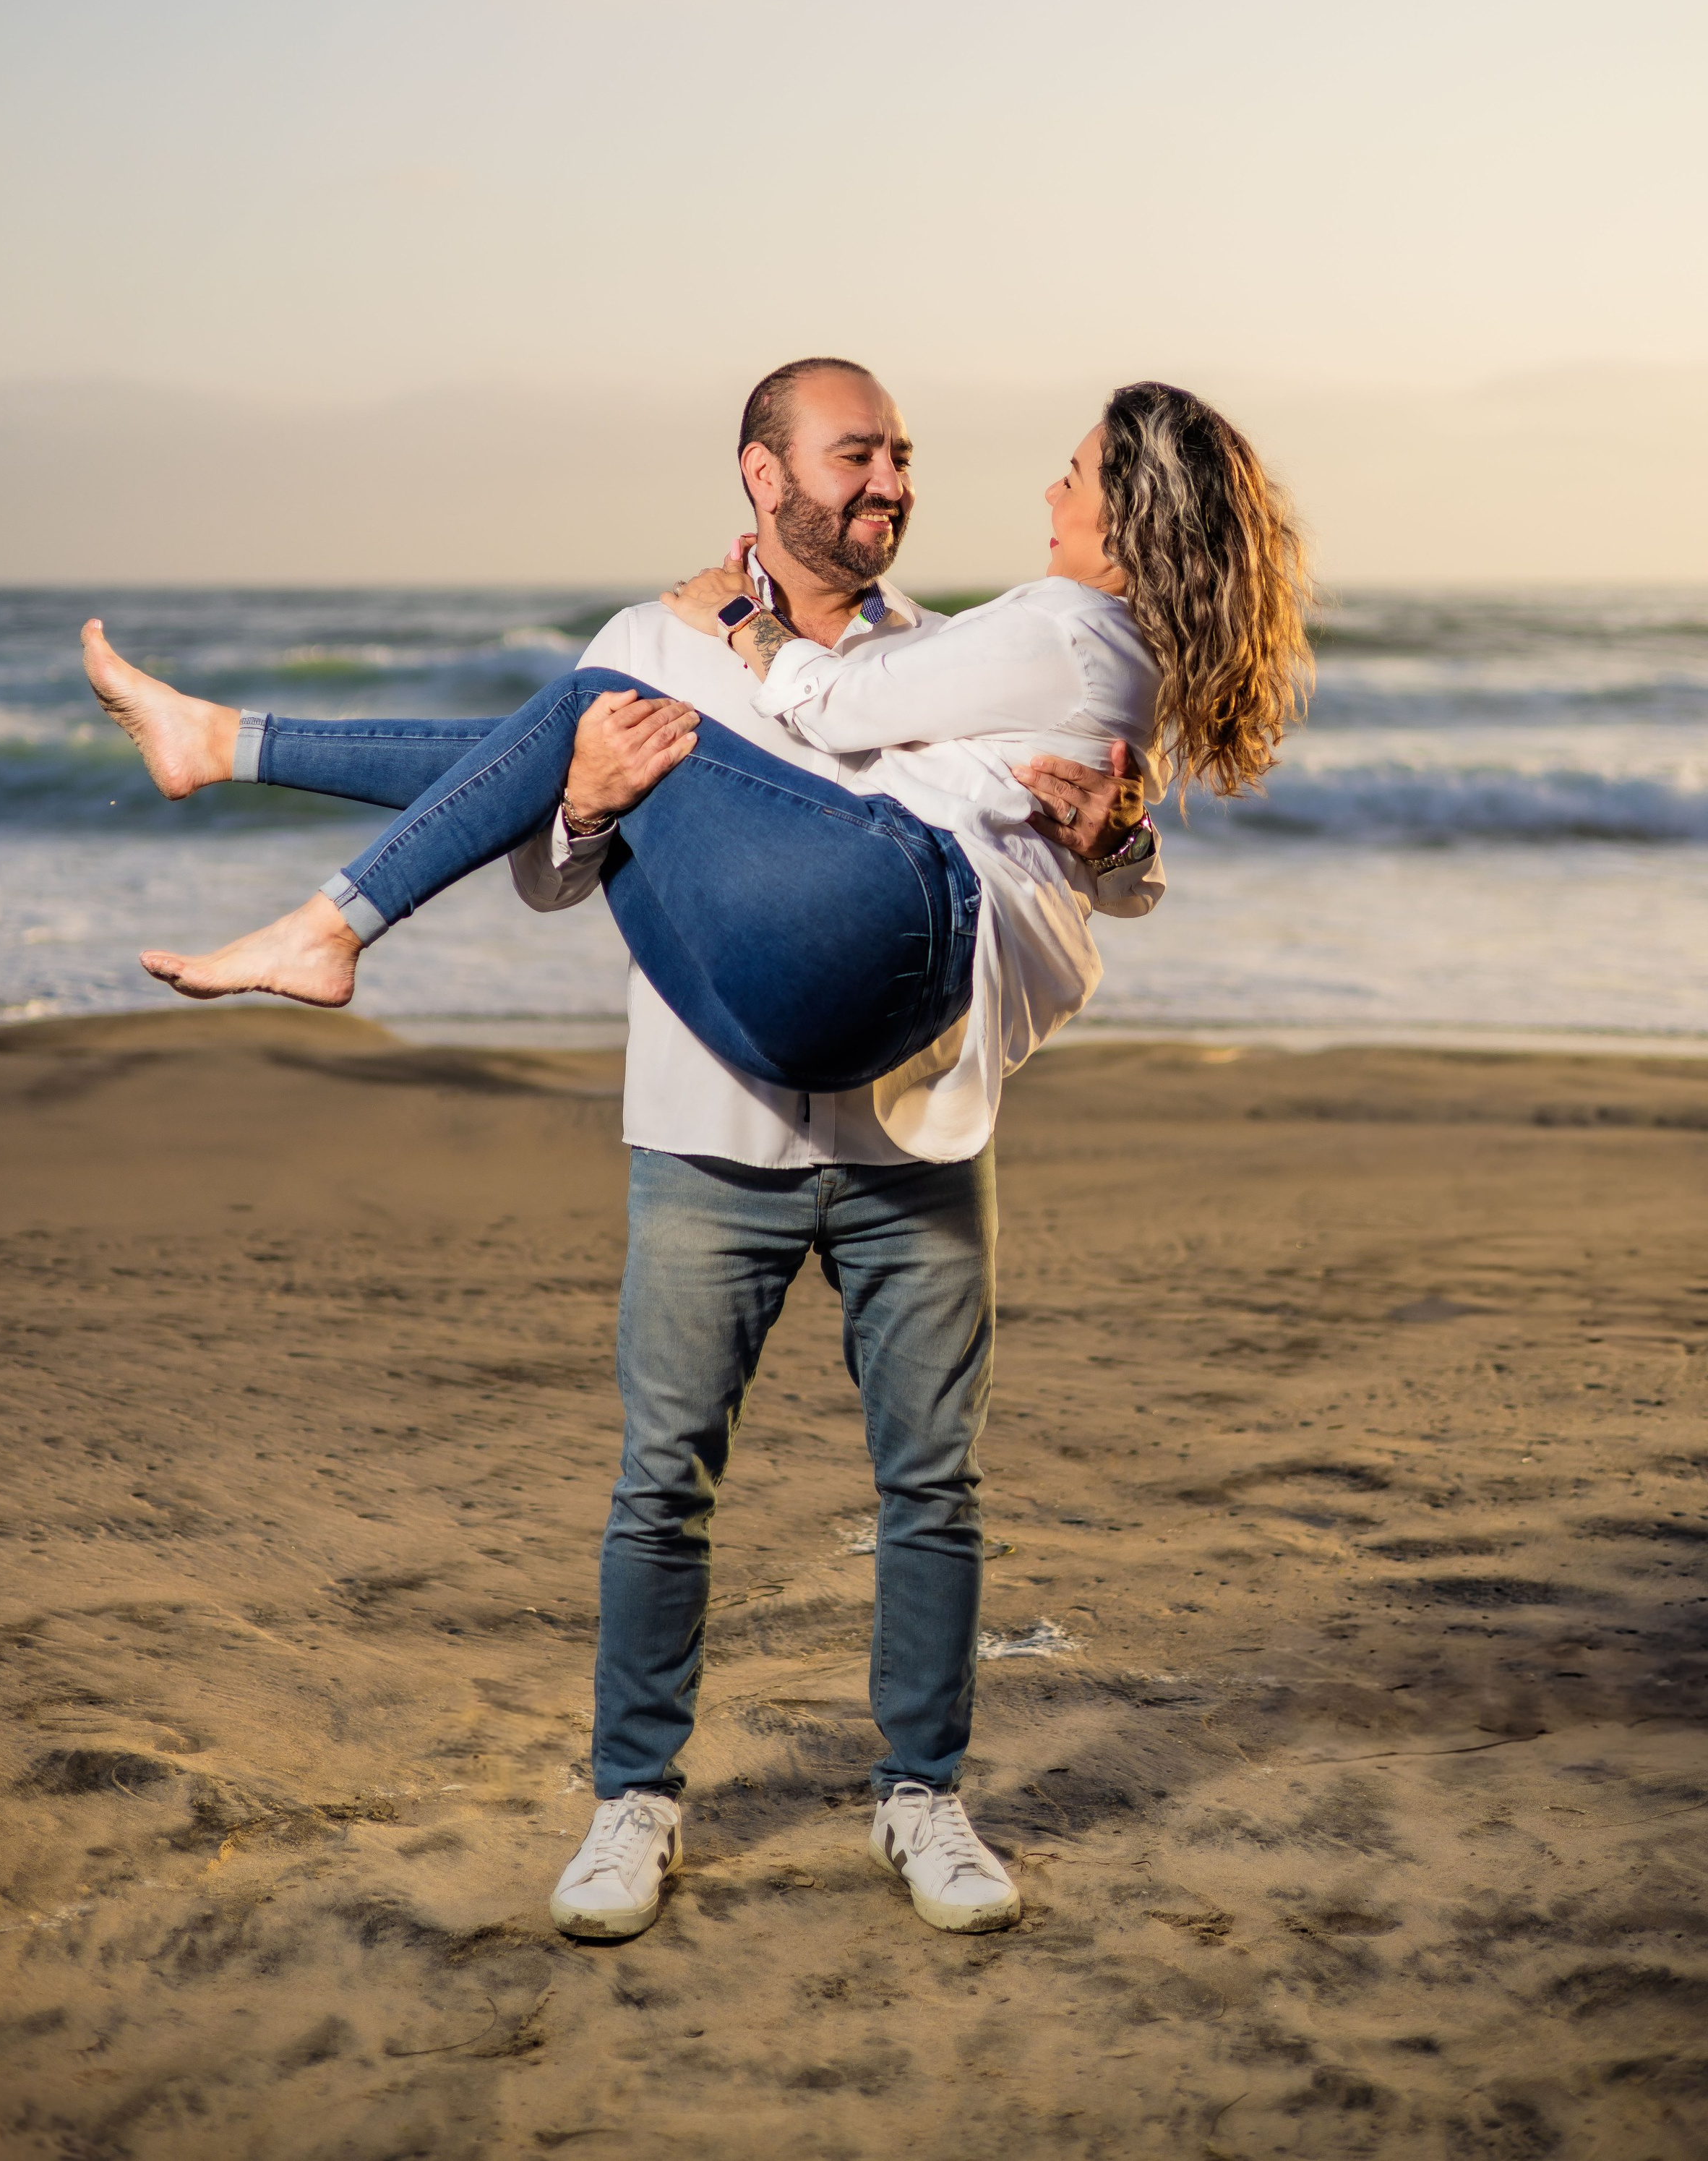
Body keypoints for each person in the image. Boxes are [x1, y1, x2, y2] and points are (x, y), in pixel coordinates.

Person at [82, 363, 1310, 1942]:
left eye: (900, 458)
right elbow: (543, 868)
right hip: (707, 1128)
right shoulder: (646, 646)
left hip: (912, 1125)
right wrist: (586, 808)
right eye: (855, 454)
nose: (891, 484)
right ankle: (633, 1799)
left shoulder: (950, 643)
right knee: (662, 1482)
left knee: (930, 1481)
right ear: (762, 474)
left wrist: (1117, 838)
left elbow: (1048, 848)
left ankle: (922, 1792)